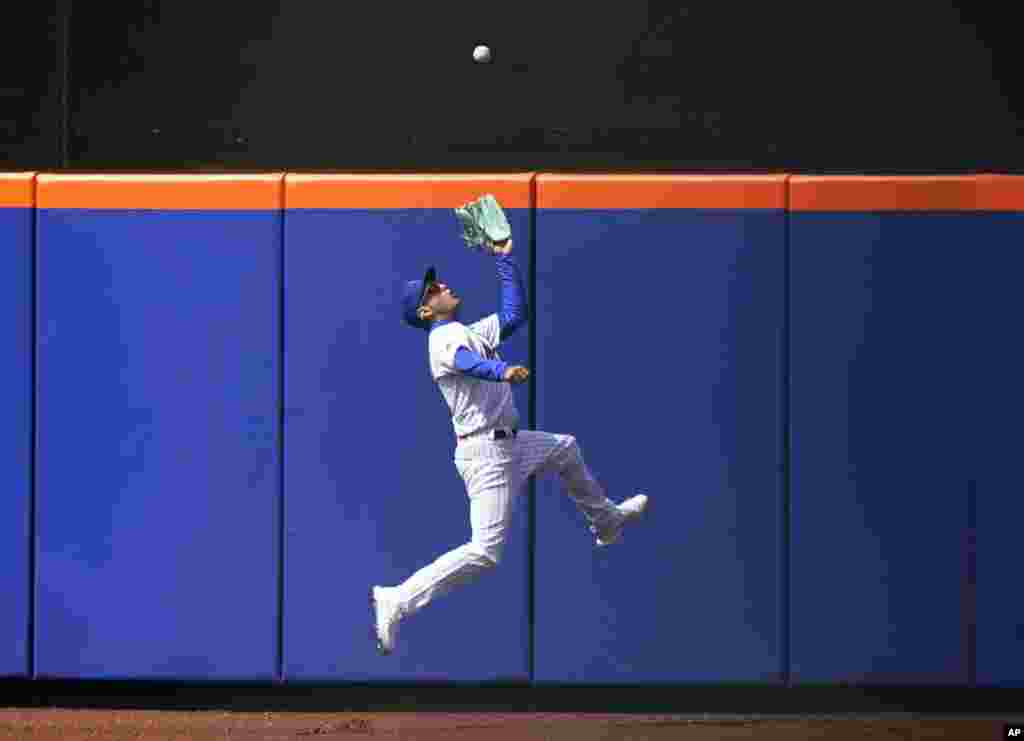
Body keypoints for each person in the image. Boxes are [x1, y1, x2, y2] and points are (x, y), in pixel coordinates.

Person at [371, 237, 648, 655]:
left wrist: (503, 258)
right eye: (432, 289)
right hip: (486, 455)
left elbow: (514, 315)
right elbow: (470, 365)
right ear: (426, 311)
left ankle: (605, 521)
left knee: (565, 447)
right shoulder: (441, 341)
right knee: (485, 551)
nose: (441, 285)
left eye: (437, 282)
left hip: (510, 444)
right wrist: (501, 370)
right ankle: (398, 599)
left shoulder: (466, 331)